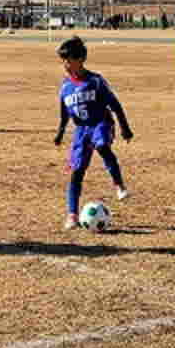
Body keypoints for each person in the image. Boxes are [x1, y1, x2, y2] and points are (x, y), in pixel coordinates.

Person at [53, 36, 133, 231]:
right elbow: (64, 115)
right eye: (62, 60)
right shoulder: (65, 87)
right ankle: (72, 215)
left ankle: (119, 186)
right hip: (81, 131)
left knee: (102, 145)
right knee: (76, 173)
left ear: (80, 59)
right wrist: (60, 133)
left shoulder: (96, 81)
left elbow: (114, 105)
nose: (64, 64)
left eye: (68, 59)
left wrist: (125, 127)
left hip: (100, 123)